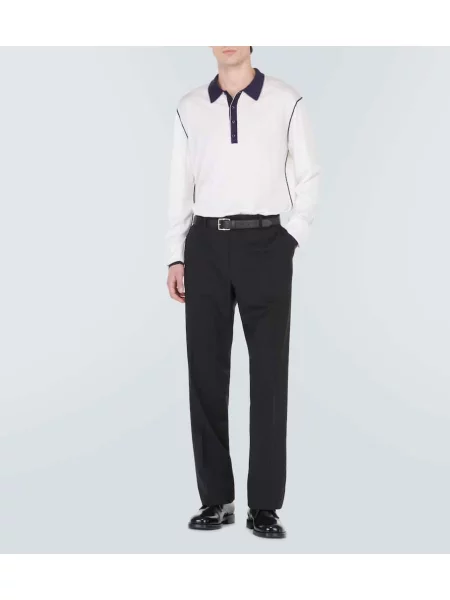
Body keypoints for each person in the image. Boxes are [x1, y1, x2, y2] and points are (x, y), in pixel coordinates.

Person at [165, 46, 320, 539]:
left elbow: (309, 176)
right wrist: (175, 255)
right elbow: (179, 184)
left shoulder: (285, 100)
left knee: (269, 375)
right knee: (205, 373)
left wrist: (290, 239)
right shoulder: (190, 107)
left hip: (266, 243)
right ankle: (216, 499)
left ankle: (265, 505)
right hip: (205, 245)